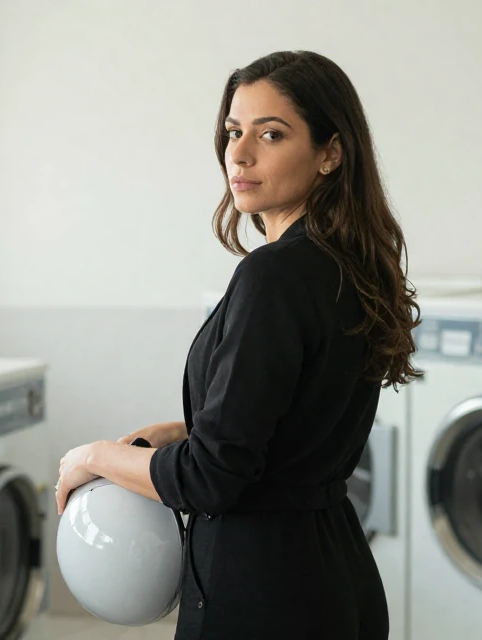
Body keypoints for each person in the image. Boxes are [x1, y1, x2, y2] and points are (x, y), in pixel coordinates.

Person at [54, 50, 420, 639]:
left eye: (271, 134)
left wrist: (92, 458)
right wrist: (188, 430)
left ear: (330, 152)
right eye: (232, 132)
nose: (239, 154)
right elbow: (300, 421)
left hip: (261, 592)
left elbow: (211, 480)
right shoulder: (348, 266)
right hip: (337, 574)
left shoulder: (273, 275)